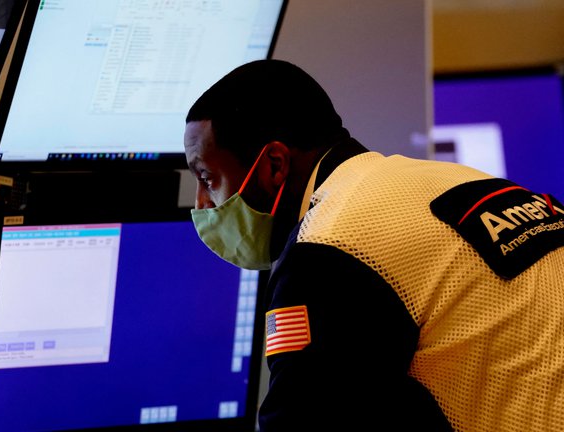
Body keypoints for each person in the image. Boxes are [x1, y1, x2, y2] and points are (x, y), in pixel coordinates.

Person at [184, 59, 564, 431]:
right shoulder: (454, 178)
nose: (202, 203)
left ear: (275, 165)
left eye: (207, 177)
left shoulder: (327, 246)